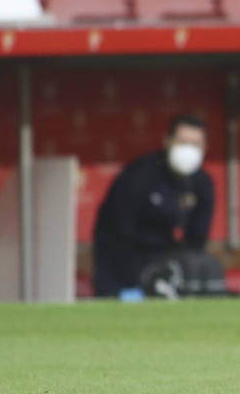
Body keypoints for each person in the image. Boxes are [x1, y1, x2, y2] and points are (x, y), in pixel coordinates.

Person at [91, 114, 215, 298]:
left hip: (164, 262)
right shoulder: (139, 175)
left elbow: (197, 241)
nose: (188, 150)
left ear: (204, 148)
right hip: (121, 264)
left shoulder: (203, 183)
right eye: (182, 142)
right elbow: (118, 233)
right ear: (168, 141)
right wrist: (129, 284)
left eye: (195, 144)